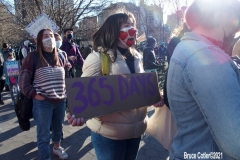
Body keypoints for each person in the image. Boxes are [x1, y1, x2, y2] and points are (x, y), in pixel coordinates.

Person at [67, 12, 151, 160]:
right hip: (110, 135)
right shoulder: (97, 58)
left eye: (133, 25)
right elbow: (83, 95)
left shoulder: (137, 56)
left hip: (136, 131)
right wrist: (78, 113)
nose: (133, 29)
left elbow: (138, 89)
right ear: (114, 31)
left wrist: (153, 96)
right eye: (127, 26)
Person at [167, 0, 240, 159]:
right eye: (236, 19)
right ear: (222, 15)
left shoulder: (187, 47)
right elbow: (236, 143)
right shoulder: (207, 57)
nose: (236, 29)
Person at [18, 28, 68, 160]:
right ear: (40, 40)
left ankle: (57, 148)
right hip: (43, 103)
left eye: (51, 35)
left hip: (60, 101)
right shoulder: (32, 57)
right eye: (45, 36)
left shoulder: (62, 56)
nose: (50, 38)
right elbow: (23, 83)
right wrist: (35, 95)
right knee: (44, 135)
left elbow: (66, 78)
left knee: (58, 129)